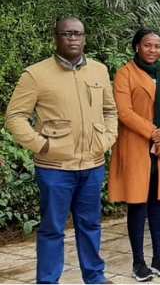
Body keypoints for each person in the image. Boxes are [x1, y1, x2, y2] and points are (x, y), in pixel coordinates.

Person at [5, 17, 118, 284]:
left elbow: (110, 110)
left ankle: (95, 277)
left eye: (77, 33)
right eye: (66, 33)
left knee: (90, 225)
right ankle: (47, 281)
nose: (72, 38)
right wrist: (42, 145)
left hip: (92, 164)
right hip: (55, 168)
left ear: (85, 38)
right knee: (52, 229)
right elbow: (15, 116)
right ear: (56, 37)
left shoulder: (99, 71)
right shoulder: (36, 74)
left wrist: (107, 138)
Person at [108, 29, 160, 281]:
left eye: (157, 45)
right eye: (147, 45)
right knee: (138, 203)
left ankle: (159, 258)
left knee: (158, 203)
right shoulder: (125, 74)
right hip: (137, 146)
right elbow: (124, 112)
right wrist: (155, 132)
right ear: (136, 46)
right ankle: (138, 262)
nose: (153, 50)